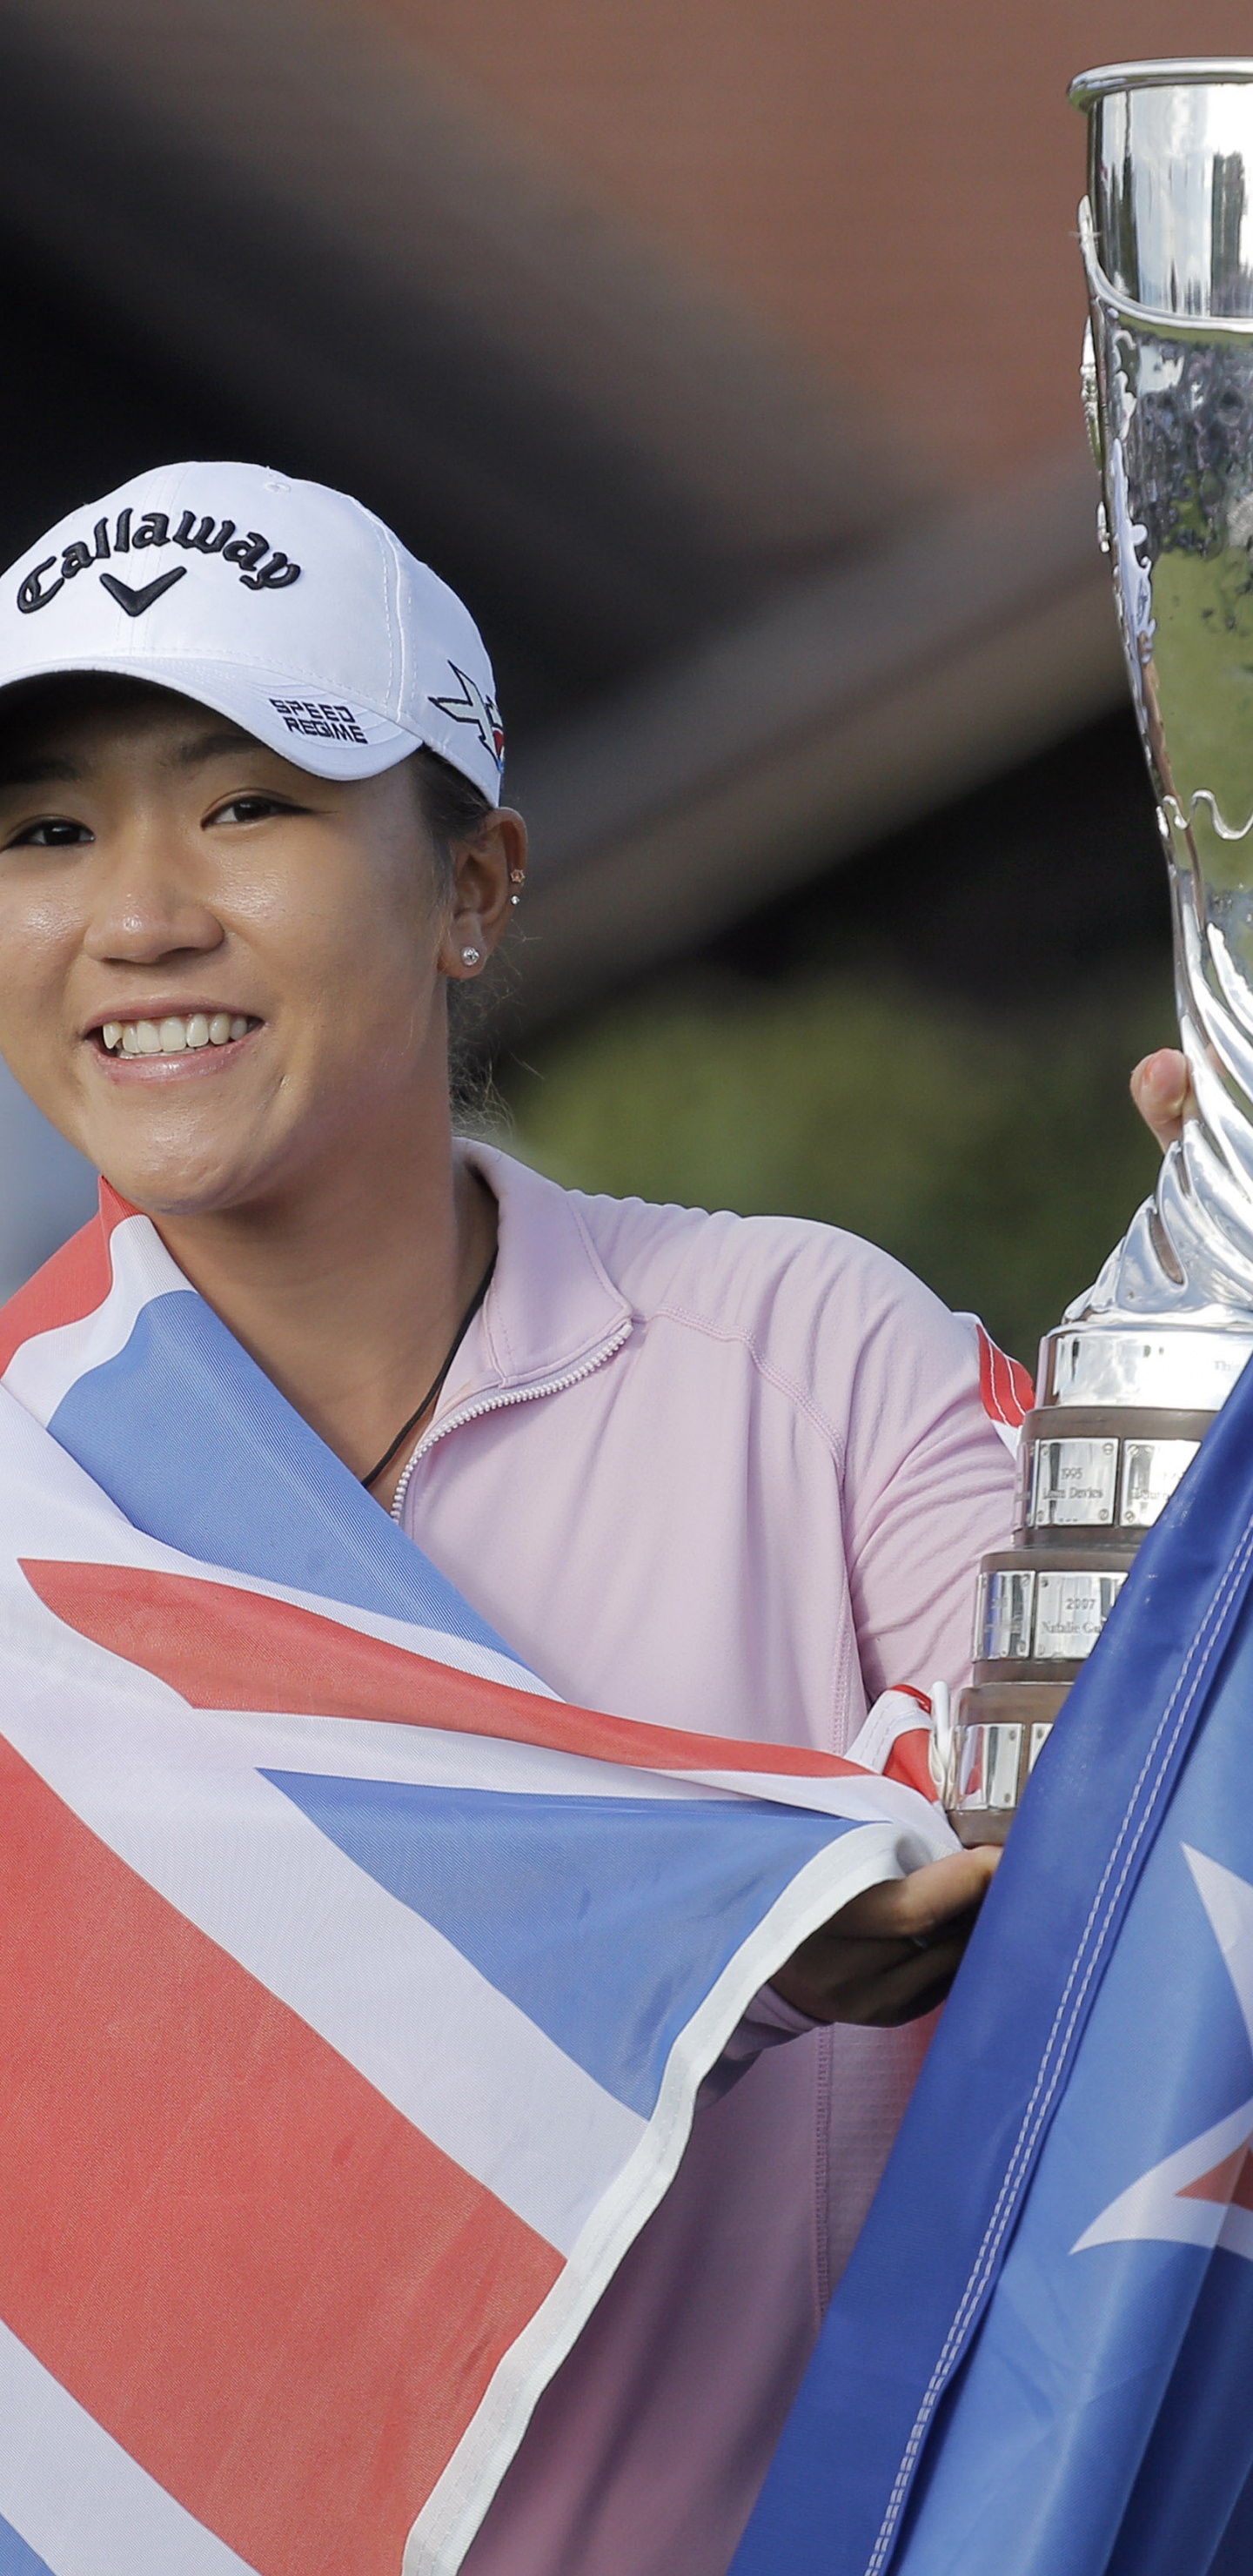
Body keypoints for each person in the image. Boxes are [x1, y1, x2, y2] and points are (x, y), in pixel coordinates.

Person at [0, 461, 1176, 2576]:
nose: (136, 912)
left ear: (472, 885)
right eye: (43, 831)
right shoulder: (17, 1488)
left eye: (247, 802)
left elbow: (1114, 1781)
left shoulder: (798, 1350)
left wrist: (1216, 1298)